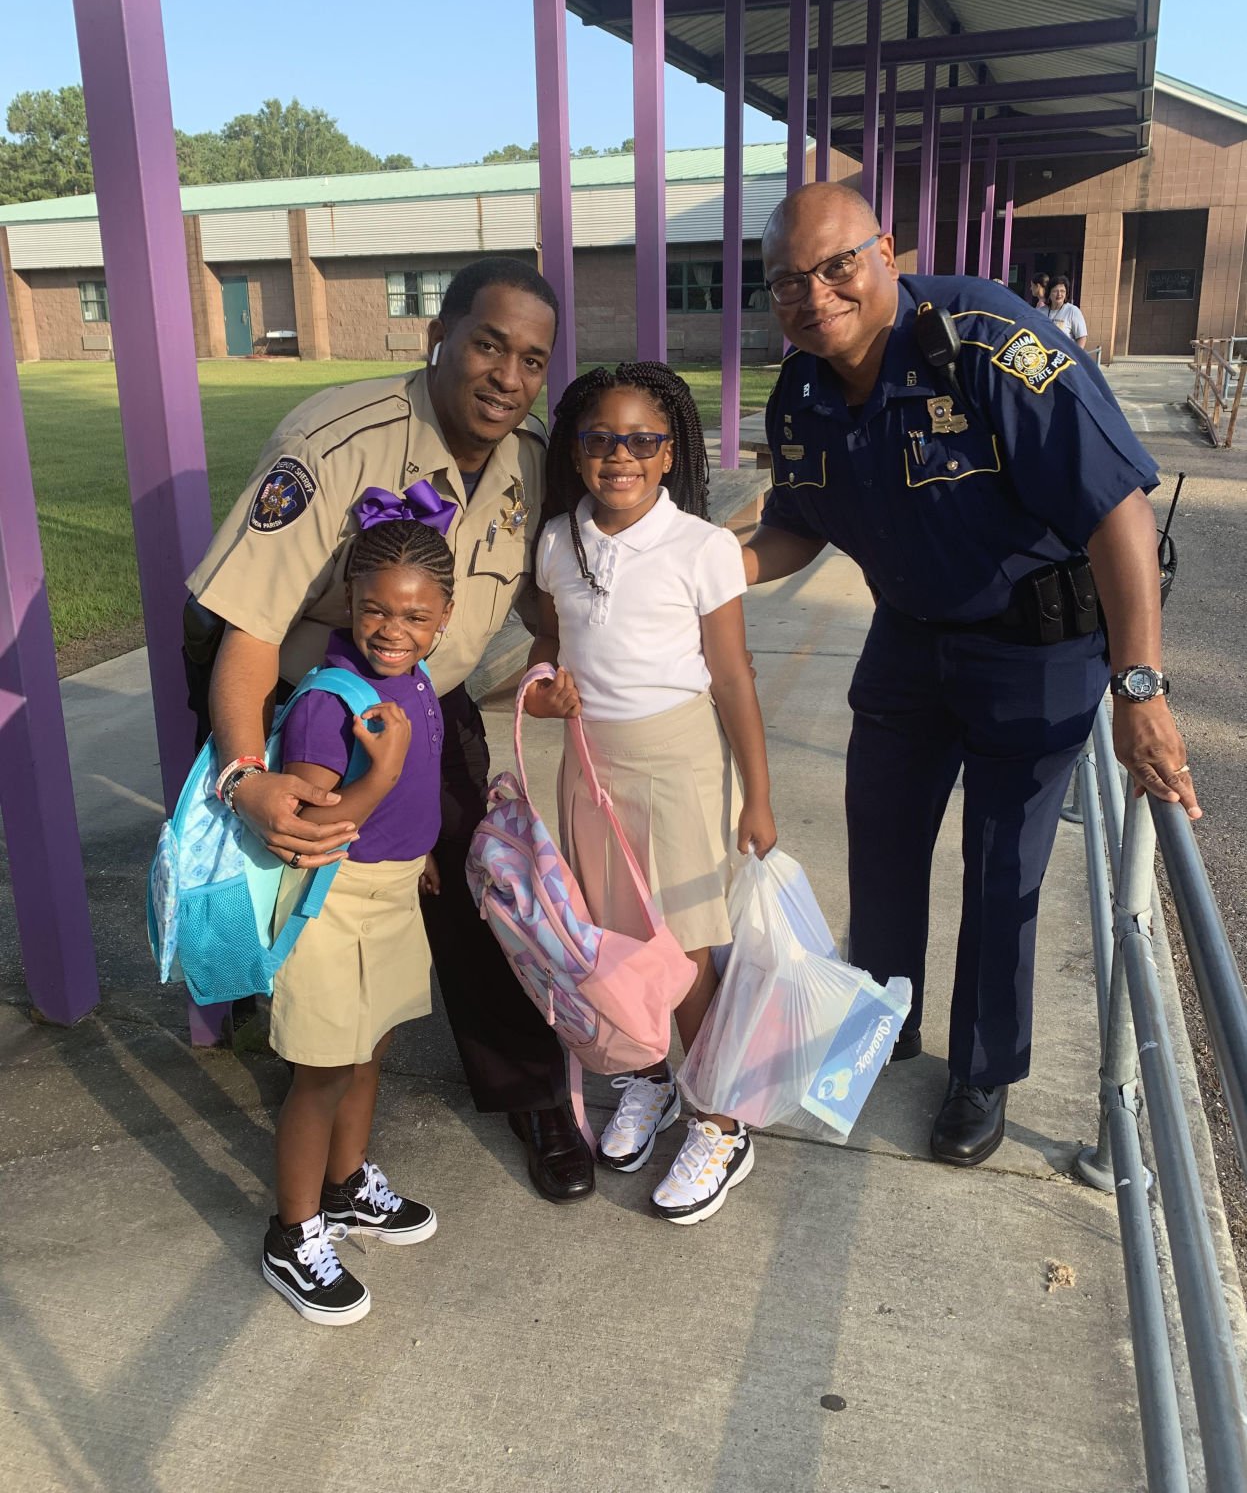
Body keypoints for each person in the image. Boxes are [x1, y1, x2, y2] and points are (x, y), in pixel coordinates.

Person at [743, 181, 1199, 1169]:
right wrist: (703, 565)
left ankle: (981, 1071)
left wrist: (1139, 686)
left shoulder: (990, 342)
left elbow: (1114, 508)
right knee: (881, 837)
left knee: (1001, 870)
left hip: (1035, 648)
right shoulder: (804, 392)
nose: (814, 294)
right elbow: (794, 524)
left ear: (886, 254)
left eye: (836, 266)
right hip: (911, 639)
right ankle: (883, 1017)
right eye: (786, 281)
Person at [187, 257, 596, 1204]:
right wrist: (246, 771)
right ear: (436, 337)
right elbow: (247, 629)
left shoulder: (528, 462)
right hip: (295, 693)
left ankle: (530, 1093)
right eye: (489, 344)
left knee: (470, 876)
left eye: (532, 359)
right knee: (296, 874)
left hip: (415, 692)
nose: (507, 375)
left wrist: (555, 667)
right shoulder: (332, 442)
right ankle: (307, 1095)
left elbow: (538, 594)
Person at [526, 362, 777, 1224]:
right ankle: (647, 1077)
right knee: (611, 940)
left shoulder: (702, 547)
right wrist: (547, 683)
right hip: (589, 760)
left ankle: (720, 1118)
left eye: (641, 440)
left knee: (686, 947)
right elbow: (552, 645)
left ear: (670, 453)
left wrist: (758, 794)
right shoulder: (557, 540)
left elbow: (734, 676)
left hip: (677, 760)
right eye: (600, 439)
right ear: (577, 450)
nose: (619, 456)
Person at [258, 495, 455, 1324]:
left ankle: (346, 1187)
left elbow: (413, 787)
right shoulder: (326, 699)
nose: (392, 626)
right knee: (321, 1068)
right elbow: (310, 825)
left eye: (415, 613)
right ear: (346, 599)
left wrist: (424, 848)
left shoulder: (413, 679)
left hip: (390, 887)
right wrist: (379, 775)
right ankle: (292, 1230)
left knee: (370, 1044)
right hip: (330, 905)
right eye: (374, 606)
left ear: (443, 619)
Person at [1047, 276, 1088, 347]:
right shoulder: (1040, 311)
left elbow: (1082, 337)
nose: (1059, 294)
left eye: (1062, 291)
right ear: (1049, 293)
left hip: (1064, 355)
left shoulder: (1072, 311)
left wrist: (1076, 356)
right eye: (1055, 291)